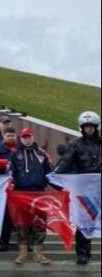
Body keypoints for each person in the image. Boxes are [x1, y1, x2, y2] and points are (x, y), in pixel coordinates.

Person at [54, 110, 101, 265]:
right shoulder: (75, 145)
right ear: (82, 128)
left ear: (96, 127)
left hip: (100, 189)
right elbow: (64, 165)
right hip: (84, 192)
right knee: (84, 222)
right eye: (86, 126)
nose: (89, 129)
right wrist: (57, 180)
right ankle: (83, 253)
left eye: (91, 126)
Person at [9, 128, 53, 266]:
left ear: (33, 137)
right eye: (24, 137)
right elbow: (11, 172)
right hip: (21, 194)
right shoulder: (15, 154)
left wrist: (59, 186)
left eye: (29, 136)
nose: (27, 139)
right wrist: (11, 183)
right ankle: (22, 254)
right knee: (22, 224)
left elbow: (49, 173)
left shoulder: (41, 153)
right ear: (20, 139)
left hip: (39, 194)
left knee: (39, 224)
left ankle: (38, 254)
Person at [0, 126, 18, 251]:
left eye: (12, 135)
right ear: (3, 136)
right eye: (8, 135)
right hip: (2, 187)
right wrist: (10, 162)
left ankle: (25, 243)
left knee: (20, 215)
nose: (11, 137)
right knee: (4, 215)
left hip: (19, 186)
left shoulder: (21, 148)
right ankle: (2, 241)